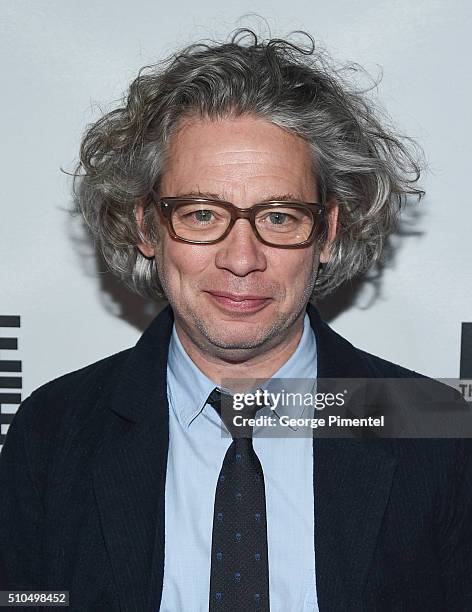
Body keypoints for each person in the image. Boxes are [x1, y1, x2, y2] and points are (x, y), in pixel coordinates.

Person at [1, 28, 471, 611]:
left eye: (278, 217)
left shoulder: (438, 432)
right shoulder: (53, 433)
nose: (241, 259)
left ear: (326, 232)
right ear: (147, 227)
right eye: (201, 214)